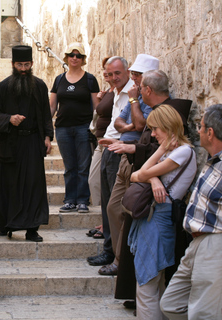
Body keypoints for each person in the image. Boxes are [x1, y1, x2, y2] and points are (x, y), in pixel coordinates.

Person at [160, 104, 222, 319]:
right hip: (200, 242)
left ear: (210, 132)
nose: (198, 131)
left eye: (201, 126)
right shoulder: (215, 161)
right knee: (171, 304)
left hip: (219, 244)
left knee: (206, 314)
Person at [127, 104, 196, 319]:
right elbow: (135, 175)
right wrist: (154, 178)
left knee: (148, 283)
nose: (153, 134)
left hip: (159, 218)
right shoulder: (173, 151)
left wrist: (157, 157)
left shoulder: (184, 151)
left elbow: (140, 174)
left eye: (156, 129)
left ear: (168, 126)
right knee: (151, 283)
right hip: (154, 218)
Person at [95, 54, 159, 275]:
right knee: (112, 206)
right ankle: (116, 255)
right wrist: (130, 125)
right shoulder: (137, 95)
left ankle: (121, 261)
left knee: (123, 208)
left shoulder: (140, 97)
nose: (134, 79)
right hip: (119, 149)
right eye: (134, 74)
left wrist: (133, 107)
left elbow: (141, 124)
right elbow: (120, 122)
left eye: (137, 75)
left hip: (134, 157)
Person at [0, 45, 53, 242]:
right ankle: (3, 224)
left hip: (32, 143)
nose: (23, 69)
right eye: (19, 65)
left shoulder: (40, 86)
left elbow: (45, 115)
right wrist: (9, 119)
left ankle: (32, 229)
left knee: (33, 186)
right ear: (13, 65)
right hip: (9, 143)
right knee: (6, 184)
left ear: (32, 64)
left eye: (26, 64)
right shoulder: (3, 87)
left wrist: (48, 137)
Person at [87, 56, 133, 267]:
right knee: (107, 203)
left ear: (127, 71)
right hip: (108, 147)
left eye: (118, 73)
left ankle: (116, 255)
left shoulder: (132, 93)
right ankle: (109, 250)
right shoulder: (115, 92)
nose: (114, 78)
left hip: (119, 149)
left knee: (114, 206)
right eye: (110, 74)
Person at [50, 42, 99, 214]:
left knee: (83, 166)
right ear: (67, 57)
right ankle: (70, 200)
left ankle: (83, 201)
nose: (75, 58)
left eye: (78, 55)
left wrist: (96, 129)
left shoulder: (90, 79)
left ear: (83, 59)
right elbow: (52, 106)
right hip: (62, 128)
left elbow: (96, 107)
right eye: (72, 55)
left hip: (83, 128)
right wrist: (45, 128)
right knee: (70, 166)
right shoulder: (59, 79)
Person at [87, 56, 114, 211]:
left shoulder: (121, 92)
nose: (106, 73)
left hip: (110, 141)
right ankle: (104, 220)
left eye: (110, 71)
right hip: (100, 140)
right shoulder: (107, 92)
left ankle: (106, 224)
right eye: (105, 69)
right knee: (95, 180)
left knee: (106, 182)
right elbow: (98, 115)